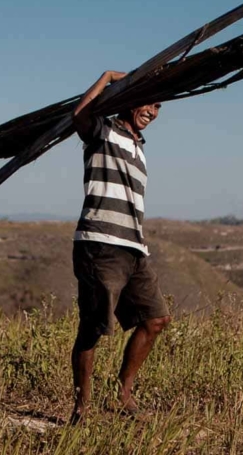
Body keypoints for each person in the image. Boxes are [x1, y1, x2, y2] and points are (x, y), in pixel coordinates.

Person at [70, 70, 171, 423]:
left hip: (133, 247)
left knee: (156, 319)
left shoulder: (140, 149)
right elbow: (79, 116)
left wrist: (141, 242)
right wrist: (107, 78)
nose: (153, 111)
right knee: (93, 327)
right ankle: (81, 409)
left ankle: (123, 395)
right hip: (100, 243)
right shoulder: (104, 131)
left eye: (159, 106)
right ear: (130, 100)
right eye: (149, 102)